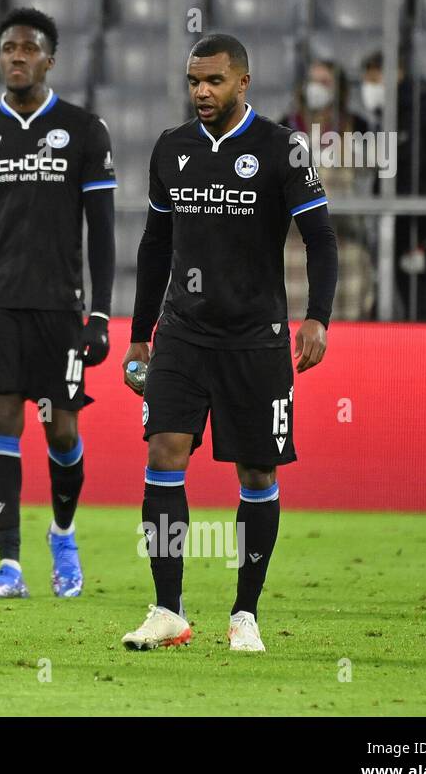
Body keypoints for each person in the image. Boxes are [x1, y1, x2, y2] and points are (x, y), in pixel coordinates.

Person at [121, 34, 338, 653]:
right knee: (164, 454)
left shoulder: (281, 149)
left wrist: (317, 316)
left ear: (243, 82)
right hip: (183, 335)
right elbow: (155, 245)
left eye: (214, 81)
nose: (201, 92)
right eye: (194, 81)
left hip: (256, 339)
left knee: (257, 470)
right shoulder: (172, 148)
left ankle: (245, 614)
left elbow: (320, 238)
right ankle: (167, 609)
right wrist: (140, 337)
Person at [0, 7, 117, 599]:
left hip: (59, 306)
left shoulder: (83, 129)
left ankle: (63, 535)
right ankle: (9, 565)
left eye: (28, 48)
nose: (16, 56)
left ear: (50, 58)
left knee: (62, 428)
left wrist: (99, 313)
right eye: (7, 48)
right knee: (2, 420)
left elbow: (103, 231)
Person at [360, 50, 426, 321]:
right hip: (402, 230)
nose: (369, 88)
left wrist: (424, 201)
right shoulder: (387, 119)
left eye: (374, 80)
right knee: (412, 312)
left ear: (396, 74)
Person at [279, 58, 375, 320]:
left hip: (343, 241)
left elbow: (373, 168)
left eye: (324, 82)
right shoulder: (284, 126)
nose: (316, 88)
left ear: (338, 89)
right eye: (312, 81)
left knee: (343, 319)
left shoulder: (356, 126)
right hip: (293, 244)